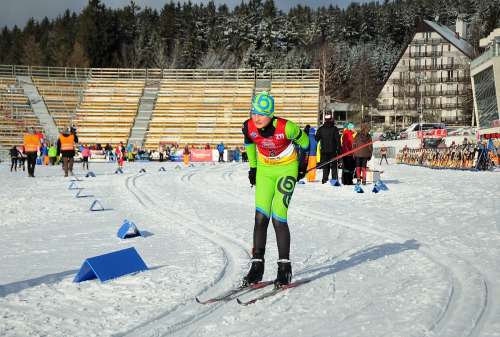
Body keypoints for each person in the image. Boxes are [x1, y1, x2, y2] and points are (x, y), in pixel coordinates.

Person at [241, 91, 309, 289]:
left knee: (278, 216)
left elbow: (306, 143)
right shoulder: (249, 126)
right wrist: (253, 167)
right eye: (254, 112)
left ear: (271, 114)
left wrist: (302, 166)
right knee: (260, 217)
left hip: (286, 169)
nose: (257, 117)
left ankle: (284, 267)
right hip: (265, 172)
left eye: (262, 113)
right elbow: (249, 144)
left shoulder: (286, 127)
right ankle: (257, 266)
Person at [315, 112, 341, 183]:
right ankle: (334, 179)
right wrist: (339, 150)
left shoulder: (321, 129)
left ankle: (324, 179)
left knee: (325, 166)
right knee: (334, 166)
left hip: (324, 151)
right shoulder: (334, 129)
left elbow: (316, 139)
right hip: (333, 151)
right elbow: (338, 140)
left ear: (325, 120)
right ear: (331, 119)